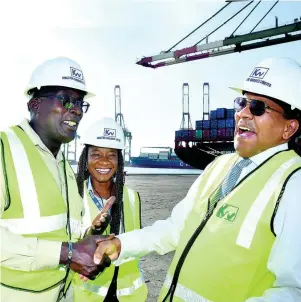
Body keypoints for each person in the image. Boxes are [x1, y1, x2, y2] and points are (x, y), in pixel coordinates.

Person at [92, 57, 301, 301]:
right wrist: (121, 244)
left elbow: (292, 290)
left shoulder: (293, 182)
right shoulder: (219, 165)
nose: (242, 114)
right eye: (240, 103)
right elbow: (176, 228)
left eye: (257, 107)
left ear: (289, 128)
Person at [0, 57, 111, 302]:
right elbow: (64, 249)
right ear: (35, 104)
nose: (77, 110)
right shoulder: (3, 148)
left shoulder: (62, 164)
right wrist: (68, 254)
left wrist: (90, 231)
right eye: (65, 100)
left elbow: (61, 229)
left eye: (81, 103)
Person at [72, 117, 148, 301]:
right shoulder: (73, 195)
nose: (104, 161)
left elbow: (136, 243)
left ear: (119, 160)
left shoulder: (132, 197)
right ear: (85, 158)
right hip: (89, 295)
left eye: (111, 154)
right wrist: (92, 231)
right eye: (96, 154)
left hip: (129, 296)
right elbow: (66, 245)